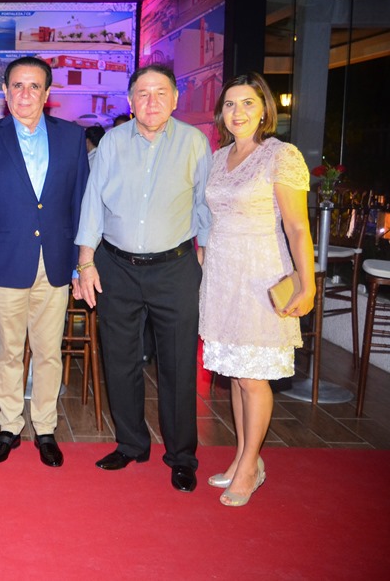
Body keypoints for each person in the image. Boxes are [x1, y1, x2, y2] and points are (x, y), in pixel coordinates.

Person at [75, 63, 211, 493]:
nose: (151, 102)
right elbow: (93, 204)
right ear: (131, 101)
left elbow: (205, 206)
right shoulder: (112, 142)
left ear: (175, 98)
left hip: (175, 268)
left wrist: (205, 259)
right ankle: (131, 443)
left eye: (160, 93)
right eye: (142, 94)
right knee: (119, 358)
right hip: (115, 267)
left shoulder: (194, 143)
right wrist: (85, 262)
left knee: (178, 363)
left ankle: (182, 456)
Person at [0, 56, 89, 467]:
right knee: (9, 352)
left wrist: (79, 266)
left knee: (49, 352)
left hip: (55, 263)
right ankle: (9, 426)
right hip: (4, 264)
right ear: (5, 92)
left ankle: (45, 428)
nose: (25, 93)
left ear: (47, 93)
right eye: (17, 85)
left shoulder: (72, 138)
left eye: (34, 86)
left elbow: (79, 206)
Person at [200, 72, 314, 506]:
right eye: (230, 104)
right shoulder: (219, 157)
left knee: (253, 376)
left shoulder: (280, 155)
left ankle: (251, 466)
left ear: (265, 109)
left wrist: (307, 284)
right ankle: (241, 457)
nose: (238, 112)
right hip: (222, 276)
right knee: (234, 374)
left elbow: (297, 227)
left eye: (248, 103)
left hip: (260, 275)